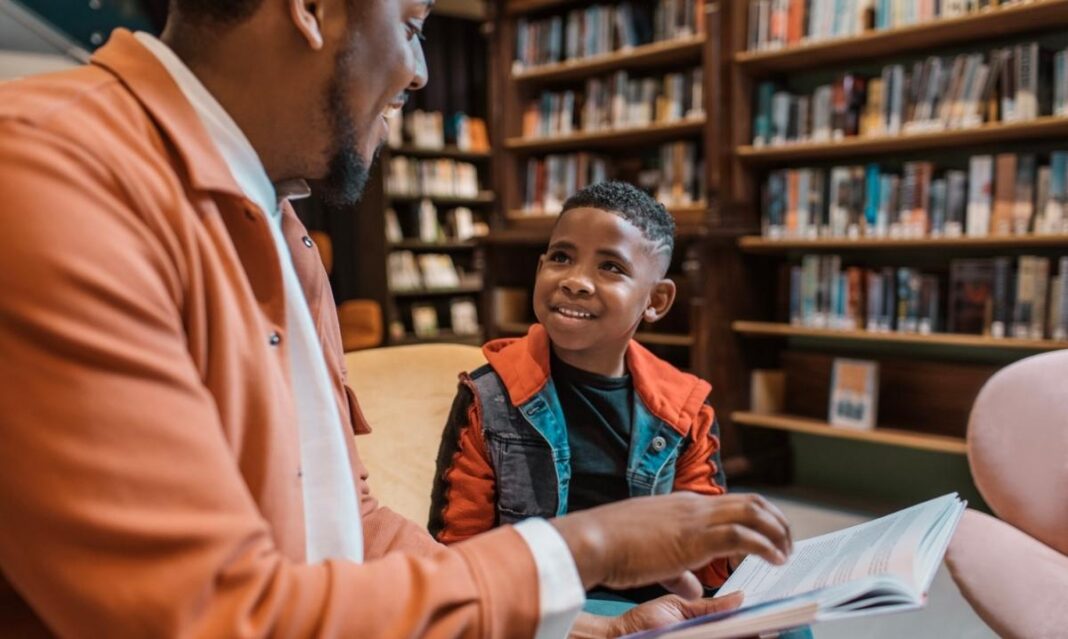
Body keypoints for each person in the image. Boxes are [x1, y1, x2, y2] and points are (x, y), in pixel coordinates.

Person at [0, 1, 793, 637]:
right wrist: (591, 544)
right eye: (412, 28)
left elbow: (345, 523)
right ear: (310, 11)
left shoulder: (279, 225)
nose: (417, 73)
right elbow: (203, 615)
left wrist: (586, 623)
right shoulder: (50, 178)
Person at [430, 182, 732, 606]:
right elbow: (458, 552)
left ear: (656, 300)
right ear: (540, 269)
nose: (575, 281)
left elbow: (708, 569)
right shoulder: (488, 398)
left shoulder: (686, 410)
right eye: (561, 258)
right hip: (534, 608)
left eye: (611, 267)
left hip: (656, 609)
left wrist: (734, 547)